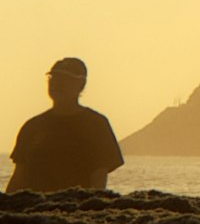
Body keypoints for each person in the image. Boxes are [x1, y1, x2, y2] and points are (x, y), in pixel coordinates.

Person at [7, 62, 121, 194]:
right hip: (36, 206)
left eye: (65, 80)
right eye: (53, 79)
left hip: (76, 205)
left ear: (81, 85)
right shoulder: (32, 126)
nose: (57, 85)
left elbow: (100, 173)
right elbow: (19, 175)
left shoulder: (96, 124)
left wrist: (92, 204)